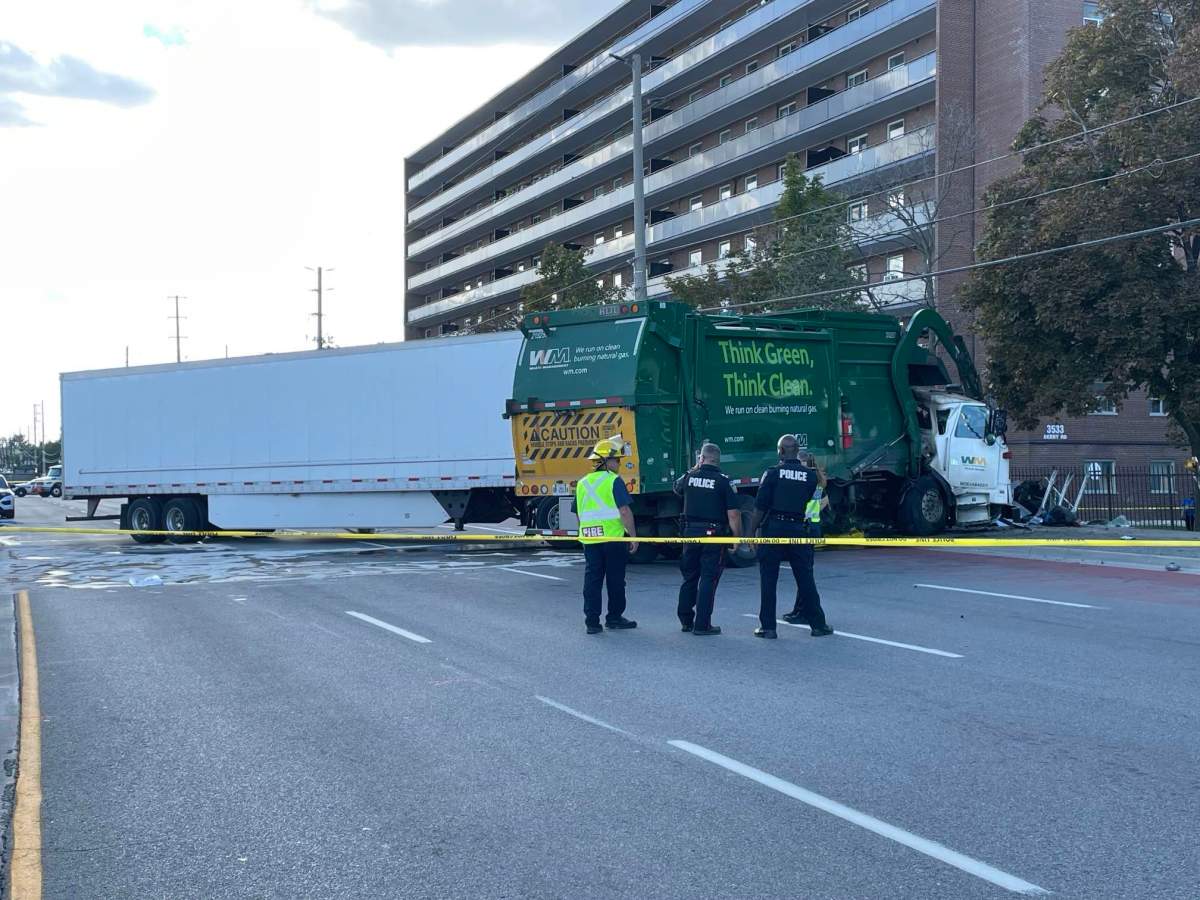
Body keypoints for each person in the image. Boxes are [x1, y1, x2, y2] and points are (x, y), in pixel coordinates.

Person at [750, 436, 833, 639]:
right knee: (805, 578)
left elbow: (760, 507)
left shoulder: (772, 473)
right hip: (798, 529)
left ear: (780, 452)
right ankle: (818, 625)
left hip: (774, 528)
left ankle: (768, 628)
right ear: (797, 452)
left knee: (768, 579)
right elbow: (813, 509)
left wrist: (751, 532)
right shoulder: (810, 477)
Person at [673, 443, 741, 636]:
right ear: (718, 460)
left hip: (690, 533)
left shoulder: (689, 477)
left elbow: (676, 488)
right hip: (714, 534)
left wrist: (694, 469)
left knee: (690, 577)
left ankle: (686, 620)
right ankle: (702, 624)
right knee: (708, 579)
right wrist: (737, 538)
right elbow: (734, 514)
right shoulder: (723, 481)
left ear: (701, 458)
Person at [575, 436, 638, 635]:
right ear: (605, 461)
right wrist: (633, 536)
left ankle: (592, 622)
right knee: (615, 580)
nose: (618, 463)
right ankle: (614, 617)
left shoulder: (582, 483)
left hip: (591, 539)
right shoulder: (613, 481)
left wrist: (584, 534)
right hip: (613, 538)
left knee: (592, 580)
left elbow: (579, 513)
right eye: (616, 459)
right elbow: (625, 511)